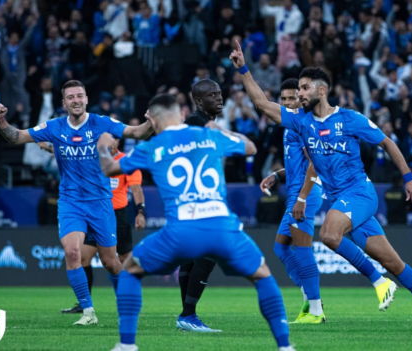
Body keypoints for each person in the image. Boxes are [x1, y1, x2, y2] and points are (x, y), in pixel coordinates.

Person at [231, 41, 412, 334]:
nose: (299, 93)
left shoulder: (350, 119)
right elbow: (262, 104)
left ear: (321, 90)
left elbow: (386, 142)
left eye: (304, 88)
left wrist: (409, 176)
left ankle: (377, 279)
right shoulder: (301, 122)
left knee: (328, 233)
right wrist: (244, 69)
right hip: (343, 201)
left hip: (360, 194)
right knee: (395, 263)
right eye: (297, 88)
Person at [98, 94, 293, 351]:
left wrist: (102, 147)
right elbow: (250, 148)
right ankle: (285, 346)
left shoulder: (152, 147)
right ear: (180, 114)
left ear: (152, 120)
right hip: (223, 228)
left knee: (130, 270)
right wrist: (217, 127)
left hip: (181, 232)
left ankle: (126, 344)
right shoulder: (207, 136)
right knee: (263, 276)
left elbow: (110, 170)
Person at [0, 79, 154, 325]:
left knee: (110, 262)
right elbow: (17, 137)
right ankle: (88, 312)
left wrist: (152, 121)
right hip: (70, 202)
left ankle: (127, 301)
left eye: (80, 96)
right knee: (72, 252)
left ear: (86, 99)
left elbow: (137, 132)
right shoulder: (54, 127)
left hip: (100, 203)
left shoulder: (101, 123)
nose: (76, 100)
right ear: (64, 102)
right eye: (71, 97)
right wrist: (1, 122)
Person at [259, 78, 326, 323]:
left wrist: (302, 198)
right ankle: (310, 297)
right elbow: (298, 165)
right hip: (296, 193)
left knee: (303, 249)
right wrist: (276, 175)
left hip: (304, 195)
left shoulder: (302, 124)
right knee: (281, 246)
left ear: (301, 97)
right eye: (283, 99)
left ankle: (316, 309)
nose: (287, 102)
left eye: (291, 98)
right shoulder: (290, 126)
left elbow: (315, 163)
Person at [62, 138, 146, 314]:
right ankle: (85, 303)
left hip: (118, 214)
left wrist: (140, 211)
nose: (110, 142)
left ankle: (125, 297)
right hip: (94, 213)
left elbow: (136, 188)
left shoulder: (126, 161)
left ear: (118, 142)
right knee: (83, 258)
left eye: (114, 139)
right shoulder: (93, 158)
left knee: (121, 259)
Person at [174, 79, 227, 333]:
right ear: (198, 100)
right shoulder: (197, 123)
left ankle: (187, 316)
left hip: (190, 199)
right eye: (212, 95)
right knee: (208, 254)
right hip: (198, 199)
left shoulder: (198, 123)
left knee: (192, 258)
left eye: (219, 93)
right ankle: (188, 314)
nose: (219, 98)